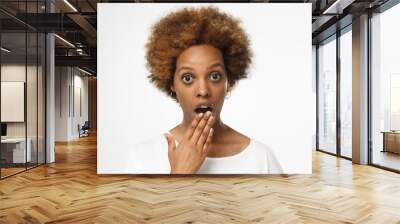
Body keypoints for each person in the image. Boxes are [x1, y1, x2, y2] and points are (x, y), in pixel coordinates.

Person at [126, 6, 283, 174]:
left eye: (214, 76)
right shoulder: (142, 157)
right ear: (171, 83)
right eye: (188, 78)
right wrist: (179, 174)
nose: (203, 91)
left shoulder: (261, 157)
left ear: (228, 81)